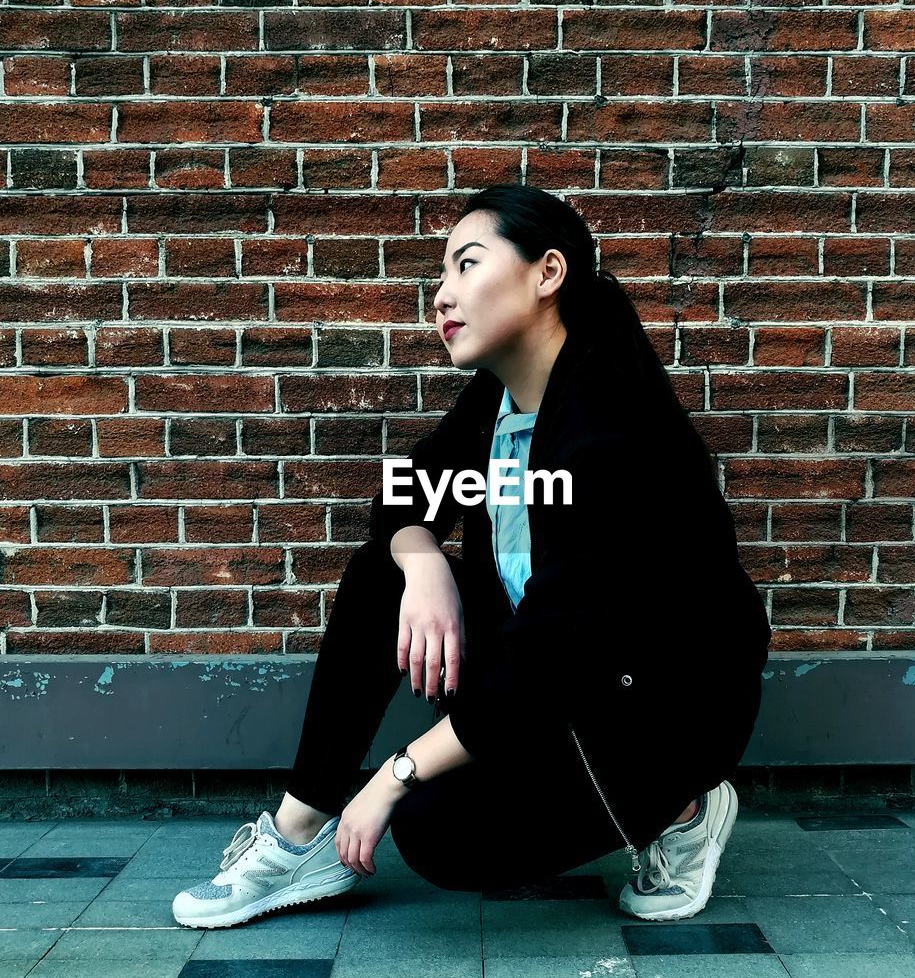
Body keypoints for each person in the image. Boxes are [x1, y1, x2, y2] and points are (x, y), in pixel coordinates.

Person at [172, 184, 772, 931]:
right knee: (381, 575)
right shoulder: (502, 395)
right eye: (442, 274)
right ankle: (299, 838)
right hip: (555, 685)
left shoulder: (613, 428)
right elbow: (404, 494)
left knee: (436, 834)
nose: (442, 293)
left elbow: (556, 653)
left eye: (466, 265)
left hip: (652, 714)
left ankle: (684, 810)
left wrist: (395, 774)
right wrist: (422, 561)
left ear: (546, 273)